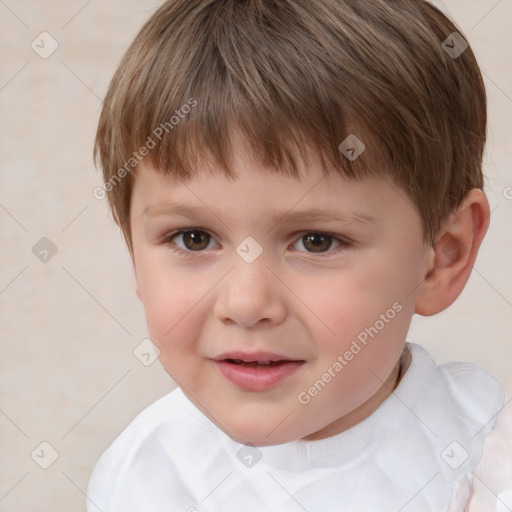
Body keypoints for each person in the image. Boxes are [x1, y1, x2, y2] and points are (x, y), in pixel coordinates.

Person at [87, 0, 511, 510]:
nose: (245, 304)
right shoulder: (143, 477)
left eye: (317, 241)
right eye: (194, 239)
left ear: (443, 255)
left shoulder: (487, 460)